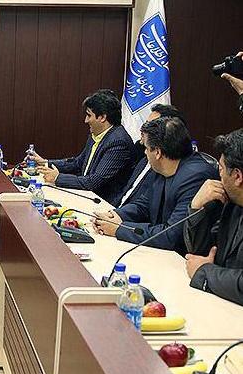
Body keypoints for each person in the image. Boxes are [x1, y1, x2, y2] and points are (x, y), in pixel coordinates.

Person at [94, 117, 218, 253]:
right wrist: (116, 216)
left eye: (146, 148)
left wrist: (119, 229)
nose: (145, 152)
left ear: (157, 152)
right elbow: (144, 204)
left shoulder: (195, 177)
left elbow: (171, 236)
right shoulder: (162, 167)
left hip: (181, 257)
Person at [31, 89, 135, 206]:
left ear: (102, 117)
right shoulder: (97, 134)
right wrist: (45, 163)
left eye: (89, 115)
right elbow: (78, 163)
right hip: (86, 195)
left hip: (103, 204)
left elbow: (94, 181)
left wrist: (58, 178)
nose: (86, 120)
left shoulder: (118, 142)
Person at [183, 132, 243, 306]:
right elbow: (201, 251)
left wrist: (205, 272)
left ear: (237, 176)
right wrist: (196, 207)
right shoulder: (233, 204)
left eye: (221, 168)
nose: (219, 175)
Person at [117, 104, 186, 207]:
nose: (143, 129)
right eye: (145, 124)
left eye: (150, 125)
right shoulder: (142, 152)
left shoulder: (166, 169)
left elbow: (145, 206)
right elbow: (125, 192)